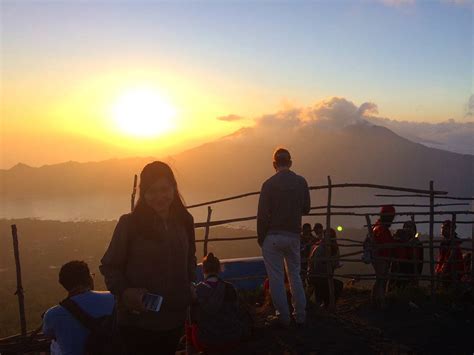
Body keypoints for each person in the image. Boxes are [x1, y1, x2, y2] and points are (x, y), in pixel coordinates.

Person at [100, 161, 196, 355]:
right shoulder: (129, 224)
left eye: (164, 189)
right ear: (143, 193)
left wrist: (190, 287)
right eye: (152, 191)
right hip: (138, 321)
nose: (159, 197)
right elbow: (110, 266)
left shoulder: (185, 221)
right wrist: (126, 293)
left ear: (173, 188)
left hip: (174, 317)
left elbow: (190, 259)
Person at [257, 148, 311, 328]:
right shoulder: (301, 182)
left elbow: (262, 215)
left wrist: (261, 238)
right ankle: (301, 315)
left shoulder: (269, 184)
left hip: (272, 237)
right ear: (290, 162)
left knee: (276, 278)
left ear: (274, 164)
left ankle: (283, 317)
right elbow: (306, 209)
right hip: (293, 236)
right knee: (295, 275)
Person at [43, 260, 115, 355]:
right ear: (89, 279)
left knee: (55, 344)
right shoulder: (114, 298)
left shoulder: (52, 314)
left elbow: (48, 336)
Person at [186, 253, 242, 354]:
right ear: (219, 269)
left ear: (203, 270)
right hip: (232, 338)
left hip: (205, 342)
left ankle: (190, 351)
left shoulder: (196, 291)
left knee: (189, 323)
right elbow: (236, 312)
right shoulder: (230, 288)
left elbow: (192, 320)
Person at [306, 228, 343, 307]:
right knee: (334, 286)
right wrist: (330, 265)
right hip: (317, 276)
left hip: (323, 275)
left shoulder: (333, 248)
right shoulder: (319, 248)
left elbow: (335, 262)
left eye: (331, 236)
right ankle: (324, 305)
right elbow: (316, 266)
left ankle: (325, 305)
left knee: (333, 285)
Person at [371, 205, 396, 309]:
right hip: (381, 257)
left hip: (382, 257)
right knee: (381, 279)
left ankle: (375, 299)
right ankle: (380, 302)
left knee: (380, 279)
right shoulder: (380, 228)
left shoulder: (379, 226)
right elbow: (385, 243)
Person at [435, 220, 464, 287]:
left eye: (445, 228)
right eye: (442, 228)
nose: (442, 230)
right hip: (446, 269)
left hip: (453, 270)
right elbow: (441, 257)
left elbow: (450, 257)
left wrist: (442, 270)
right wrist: (438, 269)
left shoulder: (454, 243)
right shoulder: (444, 242)